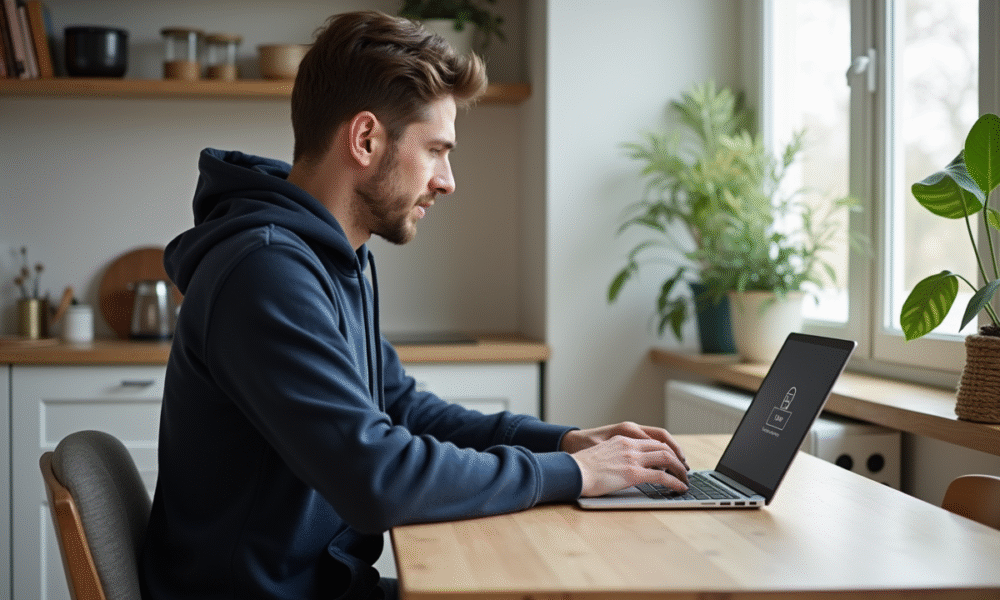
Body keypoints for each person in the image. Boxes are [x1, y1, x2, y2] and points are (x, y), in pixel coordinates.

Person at [139, 10, 690, 600]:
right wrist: (575, 475)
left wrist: (563, 444)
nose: (447, 180)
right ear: (366, 139)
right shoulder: (264, 272)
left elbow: (403, 410)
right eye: (435, 150)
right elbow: (377, 478)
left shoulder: (332, 258)